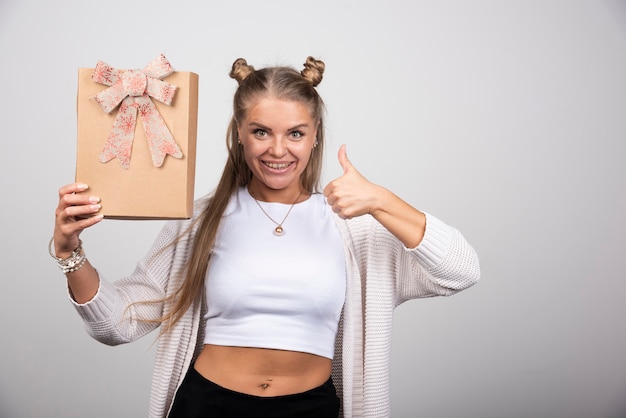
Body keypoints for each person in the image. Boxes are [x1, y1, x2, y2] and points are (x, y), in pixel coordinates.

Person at [51, 56, 480, 418]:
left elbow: (461, 271)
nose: (278, 150)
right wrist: (71, 253)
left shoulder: (355, 226)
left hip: (312, 407)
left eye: (295, 133)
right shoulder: (201, 220)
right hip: (208, 405)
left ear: (315, 138)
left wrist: (383, 200)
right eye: (261, 132)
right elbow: (118, 323)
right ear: (239, 132)